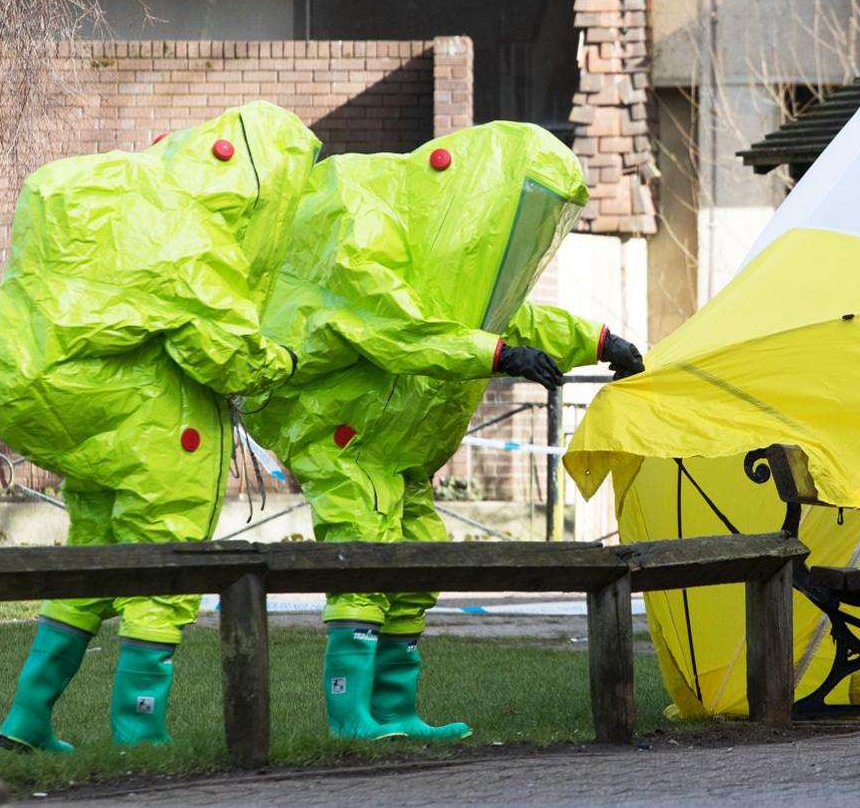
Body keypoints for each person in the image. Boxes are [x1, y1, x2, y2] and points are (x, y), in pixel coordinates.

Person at [244, 121, 643, 741]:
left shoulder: (455, 257)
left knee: (418, 559)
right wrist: (498, 354)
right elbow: (395, 327)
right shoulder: (364, 222)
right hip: (346, 432)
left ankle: (396, 709)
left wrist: (597, 342)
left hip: (404, 443)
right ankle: (349, 715)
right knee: (364, 554)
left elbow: (503, 312)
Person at [0, 102, 320, 750]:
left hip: (47, 393)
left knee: (93, 559)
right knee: (164, 562)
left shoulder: (120, 194)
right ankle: (140, 730)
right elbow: (223, 352)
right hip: (146, 421)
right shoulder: (192, 230)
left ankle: (26, 717)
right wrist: (285, 360)